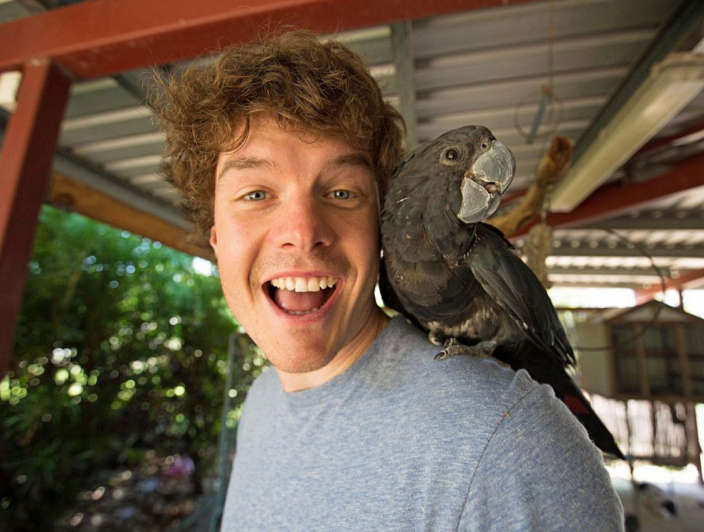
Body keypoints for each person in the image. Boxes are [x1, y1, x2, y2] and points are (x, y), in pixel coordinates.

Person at [153, 30, 624, 531]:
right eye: (255, 194)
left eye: (340, 193)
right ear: (217, 238)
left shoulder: (512, 444)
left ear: (377, 223)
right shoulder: (261, 404)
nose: (302, 233)